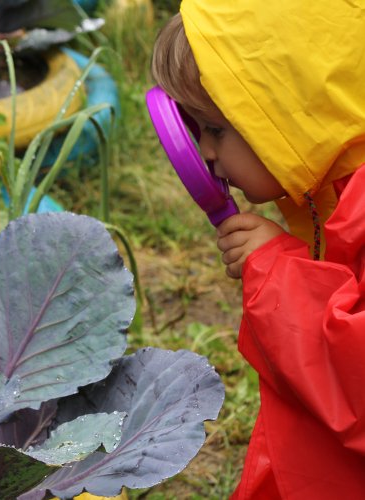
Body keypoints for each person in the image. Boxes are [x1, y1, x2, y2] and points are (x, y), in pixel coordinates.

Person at [150, 1, 365, 498]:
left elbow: (353, 386)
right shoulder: (334, 193)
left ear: (291, 114)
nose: (204, 153)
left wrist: (279, 271)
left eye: (217, 130)